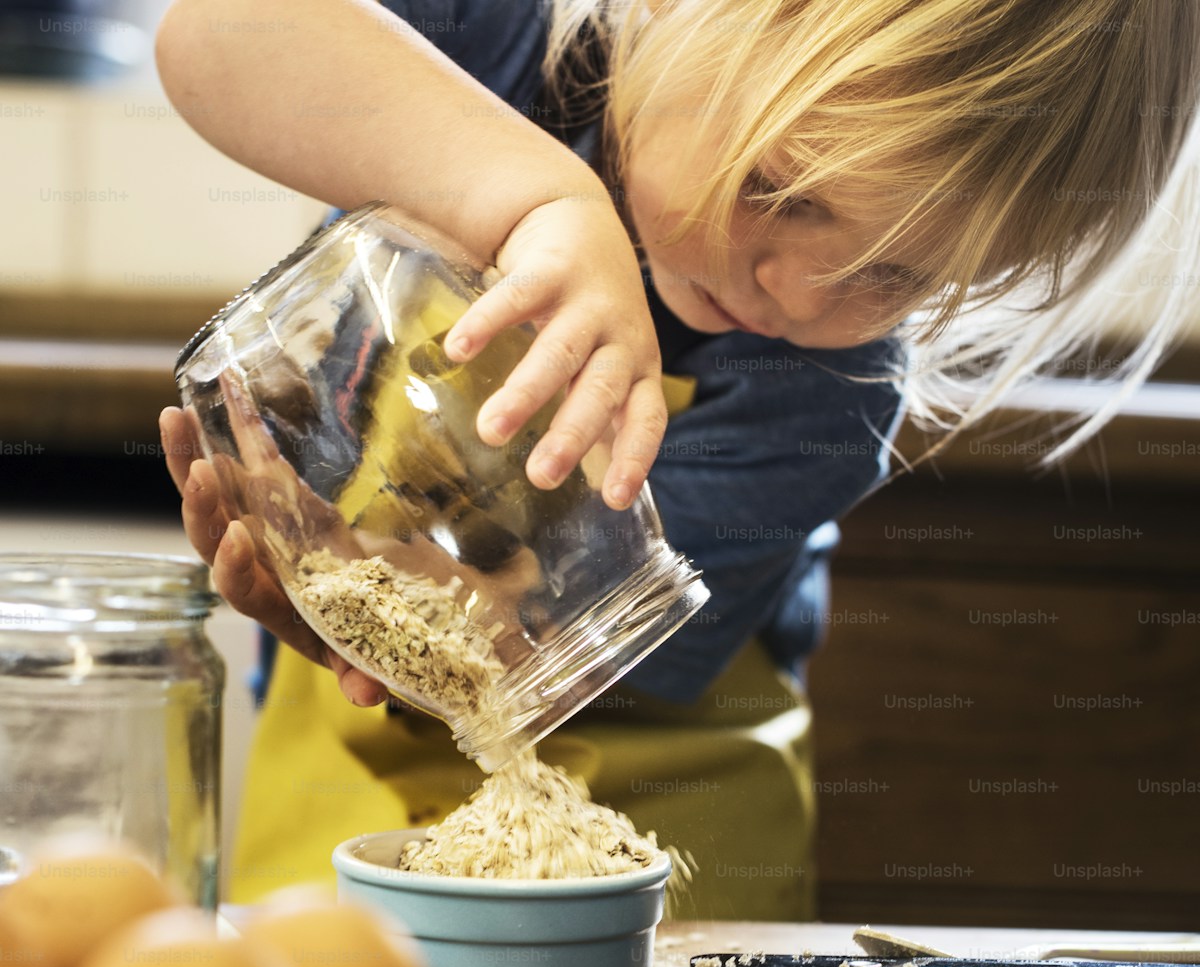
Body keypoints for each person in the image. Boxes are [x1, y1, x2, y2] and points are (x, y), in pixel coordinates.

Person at [156, 0, 1200, 915]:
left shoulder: (831, 394)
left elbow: (532, 644)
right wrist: (535, 198)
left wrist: (347, 591)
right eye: (780, 190)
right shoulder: (503, 51)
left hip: (667, 879)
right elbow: (213, 33)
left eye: (894, 274)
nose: (798, 292)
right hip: (336, 824)